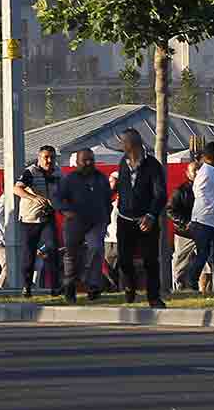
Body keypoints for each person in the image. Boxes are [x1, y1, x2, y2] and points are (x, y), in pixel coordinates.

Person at [110, 129, 165, 308]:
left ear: (132, 144)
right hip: (125, 219)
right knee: (124, 260)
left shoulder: (153, 165)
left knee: (150, 260)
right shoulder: (122, 163)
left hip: (146, 220)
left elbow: (160, 194)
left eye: (123, 142)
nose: (121, 146)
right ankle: (129, 287)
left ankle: (154, 297)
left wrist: (151, 215)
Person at [55, 147, 113, 304]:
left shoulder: (101, 178)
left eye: (91, 160)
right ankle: (69, 286)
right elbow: (58, 199)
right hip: (75, 222)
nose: (88, 163)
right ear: (77, 162)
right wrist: (65, 211)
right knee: (72, 256)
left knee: (96, 249)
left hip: (96, 221)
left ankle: (93, 285)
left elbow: (108, 199)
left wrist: (107, 217)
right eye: (85, 160)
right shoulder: (69, 179)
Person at [12, 145, 61, 296]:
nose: (49, 160)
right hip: (30, 218)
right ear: (39, 158)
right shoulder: (31, 172)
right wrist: (33, 197)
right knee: (29, 253)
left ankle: (55, 286)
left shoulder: (58, 173)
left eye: (52, 157)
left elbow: (64, 191)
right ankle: (27, 286)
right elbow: (17, 189)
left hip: (48, 216)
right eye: (46, 157)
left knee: (53, 249)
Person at [186, 140, 214, 294]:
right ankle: (190, 281)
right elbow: (199, 193)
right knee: (204, 254)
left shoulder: (213, 171)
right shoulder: (205, 172)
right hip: (204, 220)